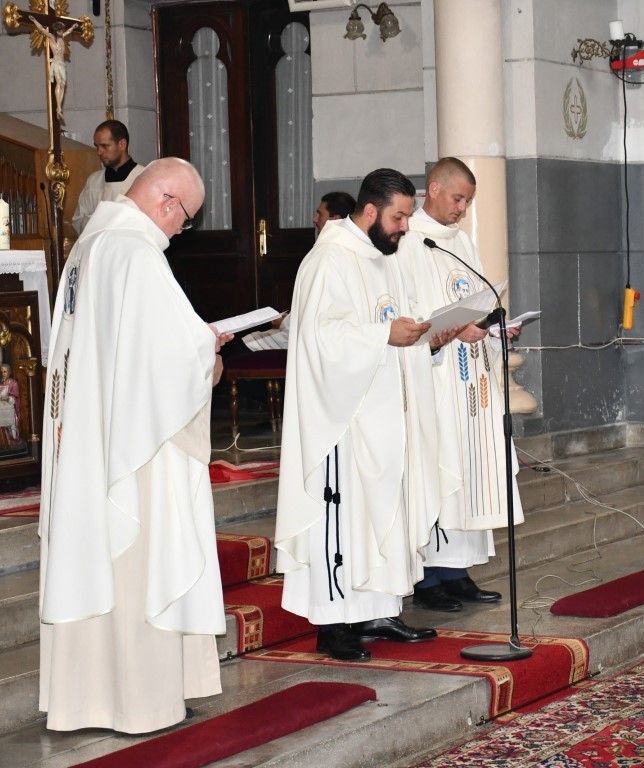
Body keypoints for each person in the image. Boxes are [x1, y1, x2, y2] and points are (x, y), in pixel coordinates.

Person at [39, 157, 230, 733]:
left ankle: (89, 699)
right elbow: (170, 361)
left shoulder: (89, 247)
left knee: (98, 560)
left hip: (92, 438)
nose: (180, 230)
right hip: (137, 448)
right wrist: (209, 351)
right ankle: (142, 701)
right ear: (167, 202)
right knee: (138, 564)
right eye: (185, 219)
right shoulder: (136, 253)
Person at [275, 169, 453, 661]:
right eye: (399, 217)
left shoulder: (385, 258)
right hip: (344, 421)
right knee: (346, 517)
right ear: (370, 211)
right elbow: (317, 338)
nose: (405, 227)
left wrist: (427, 341)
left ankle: (378, 609)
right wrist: (383, 336)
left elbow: (399, 328)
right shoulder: (328, 260)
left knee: (383, 513)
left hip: (385, 418)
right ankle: (334, 625)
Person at [396, 158, 524, 613]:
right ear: (433, 189)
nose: (462, 209)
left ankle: (457, 571)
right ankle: (429, 577)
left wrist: (492, 327)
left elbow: (477, 301)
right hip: (437, 377)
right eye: (458, 199)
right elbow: (409, 312)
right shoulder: (408, 242)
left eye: (468, 202)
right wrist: (451, 329)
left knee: (468, 470)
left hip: (472, 378)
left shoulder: (461, 241)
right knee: (440, 467)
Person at [241, 191, 357, 353]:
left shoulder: (329, 255)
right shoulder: (343, 250)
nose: (315, 219)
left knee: (241, 347)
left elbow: (316, 314)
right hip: (302, 331)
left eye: (320, 214)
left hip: (307, 340)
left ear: (335, 219)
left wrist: (284, 323)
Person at [72, 120, 145, 235]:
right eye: (97, 146)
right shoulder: (94, 181)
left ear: (122, 144)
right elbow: (78, 220)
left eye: (105, 146)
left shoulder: (143, 178)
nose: (99, 152)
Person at [0, 363, 20, 445]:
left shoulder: (13, 383)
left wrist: (8, 398)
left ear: (9, 372)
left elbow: (16, 398)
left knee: (11, 424)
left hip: (9, 407)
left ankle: (13, 438)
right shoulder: (1, 382)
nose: (3, 374)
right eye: (1, 372)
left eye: (5, 372)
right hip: (1, 406)